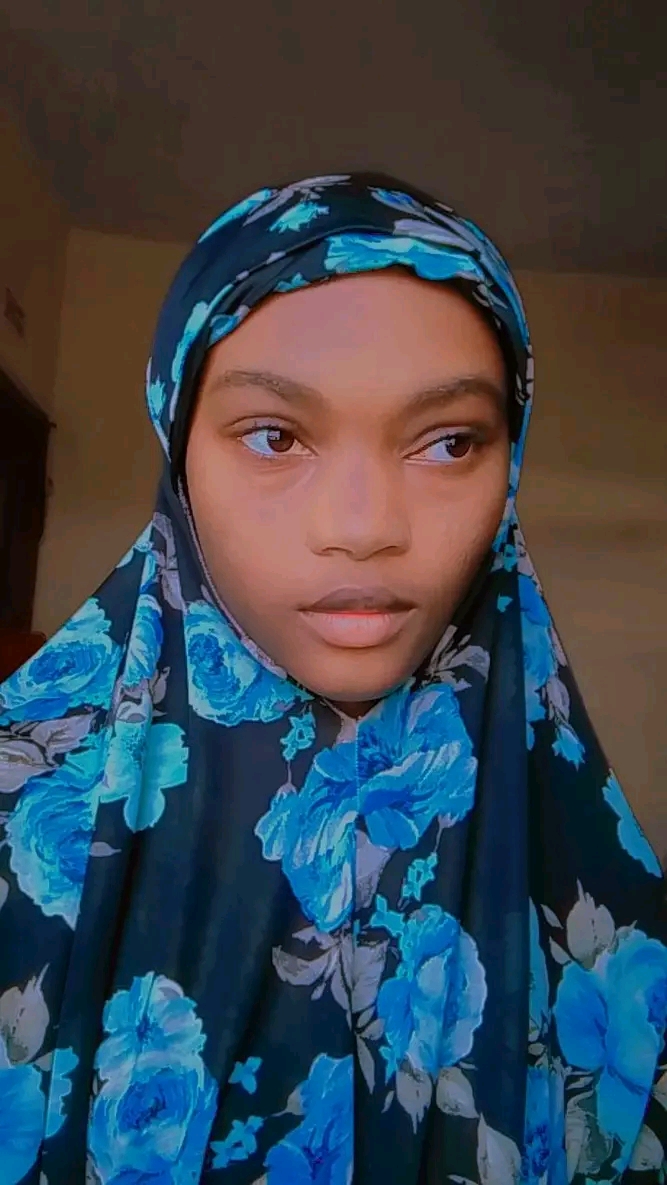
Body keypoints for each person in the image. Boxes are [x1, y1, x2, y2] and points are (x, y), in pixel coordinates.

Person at [0, 173, 664, 1185]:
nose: (363, 526)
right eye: (274, 436)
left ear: (508, 467)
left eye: (448, 443)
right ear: (180, 457)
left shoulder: (606, 913)